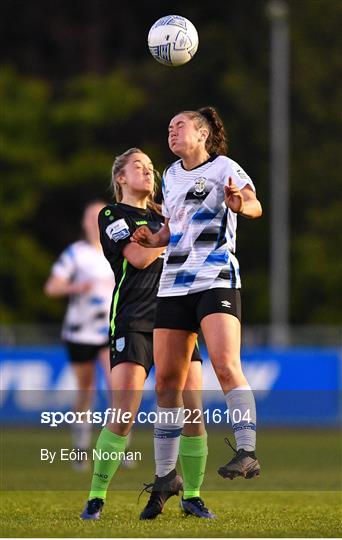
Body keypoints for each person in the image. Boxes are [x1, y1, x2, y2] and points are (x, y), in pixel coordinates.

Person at [132, 107, 263, 507]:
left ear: (202, 133)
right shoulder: (170, 175)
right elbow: (173, 228)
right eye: (168, 126)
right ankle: (164, 478)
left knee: (225, 363)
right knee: (167, 383)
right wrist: (155, 239)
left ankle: (247, 451)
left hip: (216, 277)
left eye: (180, 125)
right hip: (174, 283)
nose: (171, 131)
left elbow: (256, 205)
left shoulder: (225, 166)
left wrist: (238, 203)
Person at [80, 148, 215, 521]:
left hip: (178, 318)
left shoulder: (164, 215)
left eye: (151, 167)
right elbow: (138, 257)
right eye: (138, 166)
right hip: (134, 319)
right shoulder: (113, 214)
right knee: (124, 411)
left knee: (193, 411)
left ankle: (192, 495)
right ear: (121, 177)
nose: (147, 171)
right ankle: (96, 497)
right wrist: (174, 235)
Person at [44, 200, 114, 468]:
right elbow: (52, 287)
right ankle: (81, 447)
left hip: (110, 328)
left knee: (116, 387)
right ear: (84, 222)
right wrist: (75, 287)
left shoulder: (118, 250)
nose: (95, 221)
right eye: (90, 216)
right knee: (86, 390)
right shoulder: (76, 254)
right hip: (80, 330)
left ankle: (115, 447)